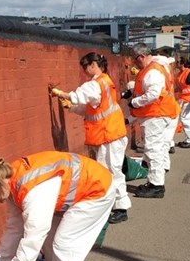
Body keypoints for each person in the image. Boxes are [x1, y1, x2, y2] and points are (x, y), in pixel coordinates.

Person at [50, 52, 131, 224]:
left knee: (111, 172)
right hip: (110, 133)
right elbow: (92, 108)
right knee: (109, 171)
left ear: (93, 65)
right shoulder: (105, 82)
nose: (85, 71)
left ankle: (120, 207)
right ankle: (115, 205)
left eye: (85, 67)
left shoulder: (95, 84)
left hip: (108, 134)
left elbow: (79, 96)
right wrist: (72, 107)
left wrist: (60, 93)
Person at [124, 43, 181, 198]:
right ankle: (155, 181)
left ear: (142, 56)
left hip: (156, 115)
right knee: (159, 149)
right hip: (161, 113)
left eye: (135, 60)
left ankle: (156, 185)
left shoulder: (152, 72)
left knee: (153, 150)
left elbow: (153, 94)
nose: (134, 63)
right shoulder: (157, 68)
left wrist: (134, 102)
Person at [150, 46, 179, 156]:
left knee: (161, 141)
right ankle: (165, 163)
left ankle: (162, 166)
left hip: (163, 107)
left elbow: (153, 93)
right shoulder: (168, 67)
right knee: (166, 137)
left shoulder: (157, 67)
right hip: (170, 104)